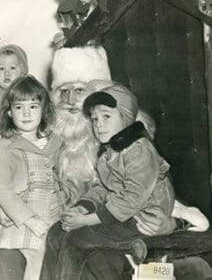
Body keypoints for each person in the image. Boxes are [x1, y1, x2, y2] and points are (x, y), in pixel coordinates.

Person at [41, 83, 176, 279]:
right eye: (94, 119)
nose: (98, 124)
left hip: (141, 219)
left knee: (77, 239)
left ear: (126, 117)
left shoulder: (140, 150)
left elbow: (131, 199)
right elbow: (103, 188)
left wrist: (87, 220)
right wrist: (83, 207)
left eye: (106, 117)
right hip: (119, 217)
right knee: (56, 232)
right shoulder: (110, 152)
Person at [0, 75, 63, 280]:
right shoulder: (6, 145)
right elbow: (2, 188)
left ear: (43, 110)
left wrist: (62, 202)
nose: (26, 113)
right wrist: (28, 218)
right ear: (9, 112)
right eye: (19, 107)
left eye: (33, 106)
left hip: (51, 222)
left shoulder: (56, 144)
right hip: (21, 223)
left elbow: (66, 182)